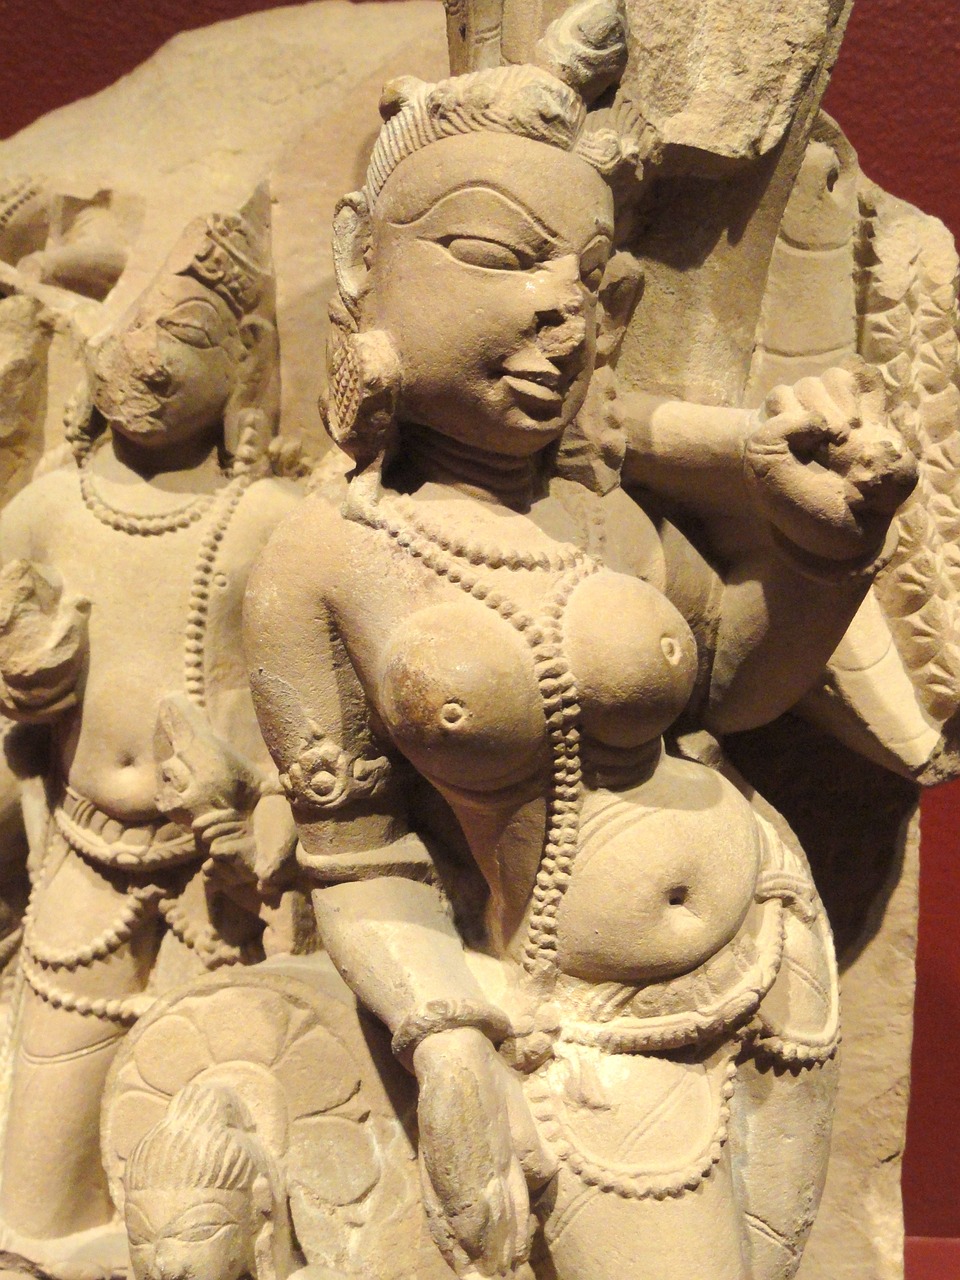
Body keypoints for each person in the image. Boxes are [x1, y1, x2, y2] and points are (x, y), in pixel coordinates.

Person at [244, 7, 916, 1276]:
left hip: (766, 961)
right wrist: (446, 1032)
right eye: (501, 253)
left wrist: (828, 550)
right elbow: (358, 856)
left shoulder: (600, 511)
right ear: (360, 260)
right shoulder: (321, 559)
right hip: (580, 1033)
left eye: (592, 277)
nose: (565, 306)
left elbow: (731, 688)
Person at [0, 192, 300, 1274]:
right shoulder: (47, 511)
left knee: (206, 1205)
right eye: (128, 330)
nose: (146, 360)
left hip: (220, 897)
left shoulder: (269, 525)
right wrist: (21, 697)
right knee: (34, 1203)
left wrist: (261, 814)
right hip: (81, 874)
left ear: (245, 356)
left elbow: (321, 728)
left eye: (183, 333)